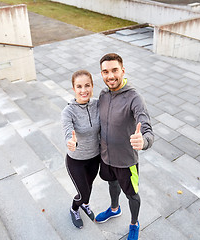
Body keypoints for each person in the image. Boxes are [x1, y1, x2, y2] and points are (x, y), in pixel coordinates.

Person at [95, 53, 154, 240]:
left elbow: (146, 127)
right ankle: (114, 209)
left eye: (114, 70)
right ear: (101, 74)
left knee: (132, 194)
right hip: (106, 157)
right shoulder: (103, 94)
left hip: (126, 161)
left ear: (123, 71)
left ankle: (134, 223)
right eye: (105, 72)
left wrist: (143, 141)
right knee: (111, 183)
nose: (110, 76)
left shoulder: (134, 98)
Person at [61, 70, 101, 229]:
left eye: (87, 85)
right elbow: (67, 131)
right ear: (73, 89)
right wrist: (70, 141)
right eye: (79, 86)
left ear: (92, 86)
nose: (83, 90)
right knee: (82, 192)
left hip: (94, 158)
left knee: (89, 187)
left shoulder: (98, 104)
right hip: (76, 161)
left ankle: (85, 204)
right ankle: (74, 208)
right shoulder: (68, 112)